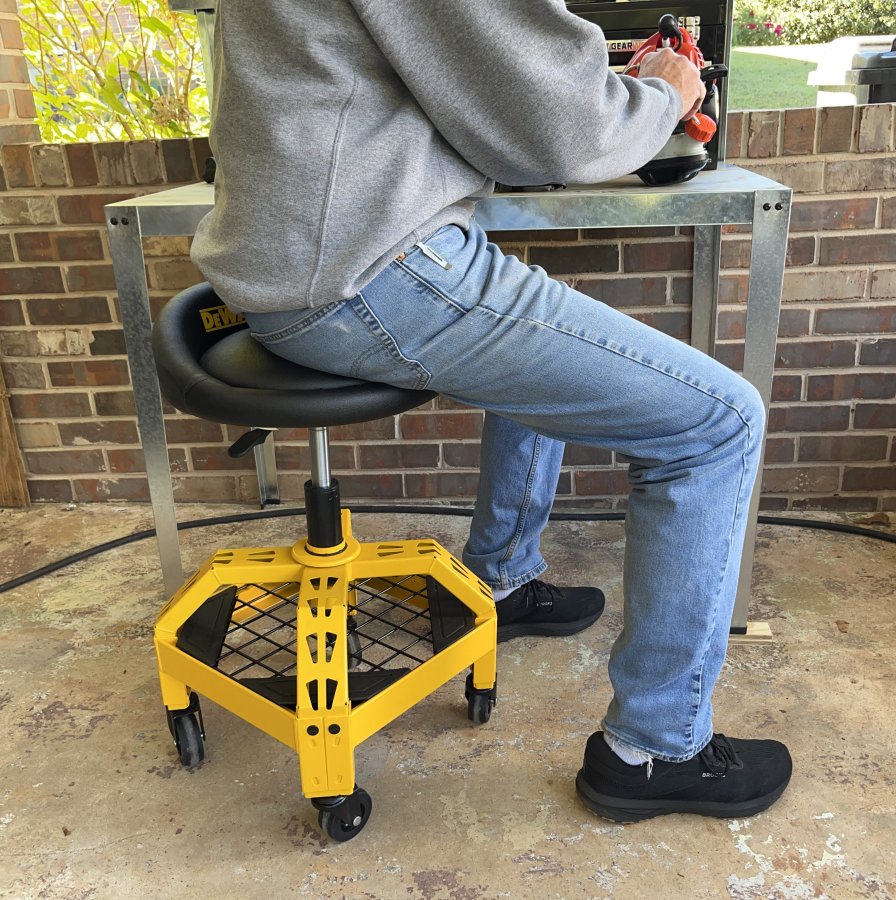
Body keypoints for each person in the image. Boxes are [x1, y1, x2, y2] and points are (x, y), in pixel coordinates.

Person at [191, 0, 792, 822]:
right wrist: (663, 92)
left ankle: (502, 578)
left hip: (301, 263)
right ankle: (653, 749)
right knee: (718, 422)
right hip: (365, 275)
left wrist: (603, 94)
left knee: (551, 345)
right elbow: (559, 129)